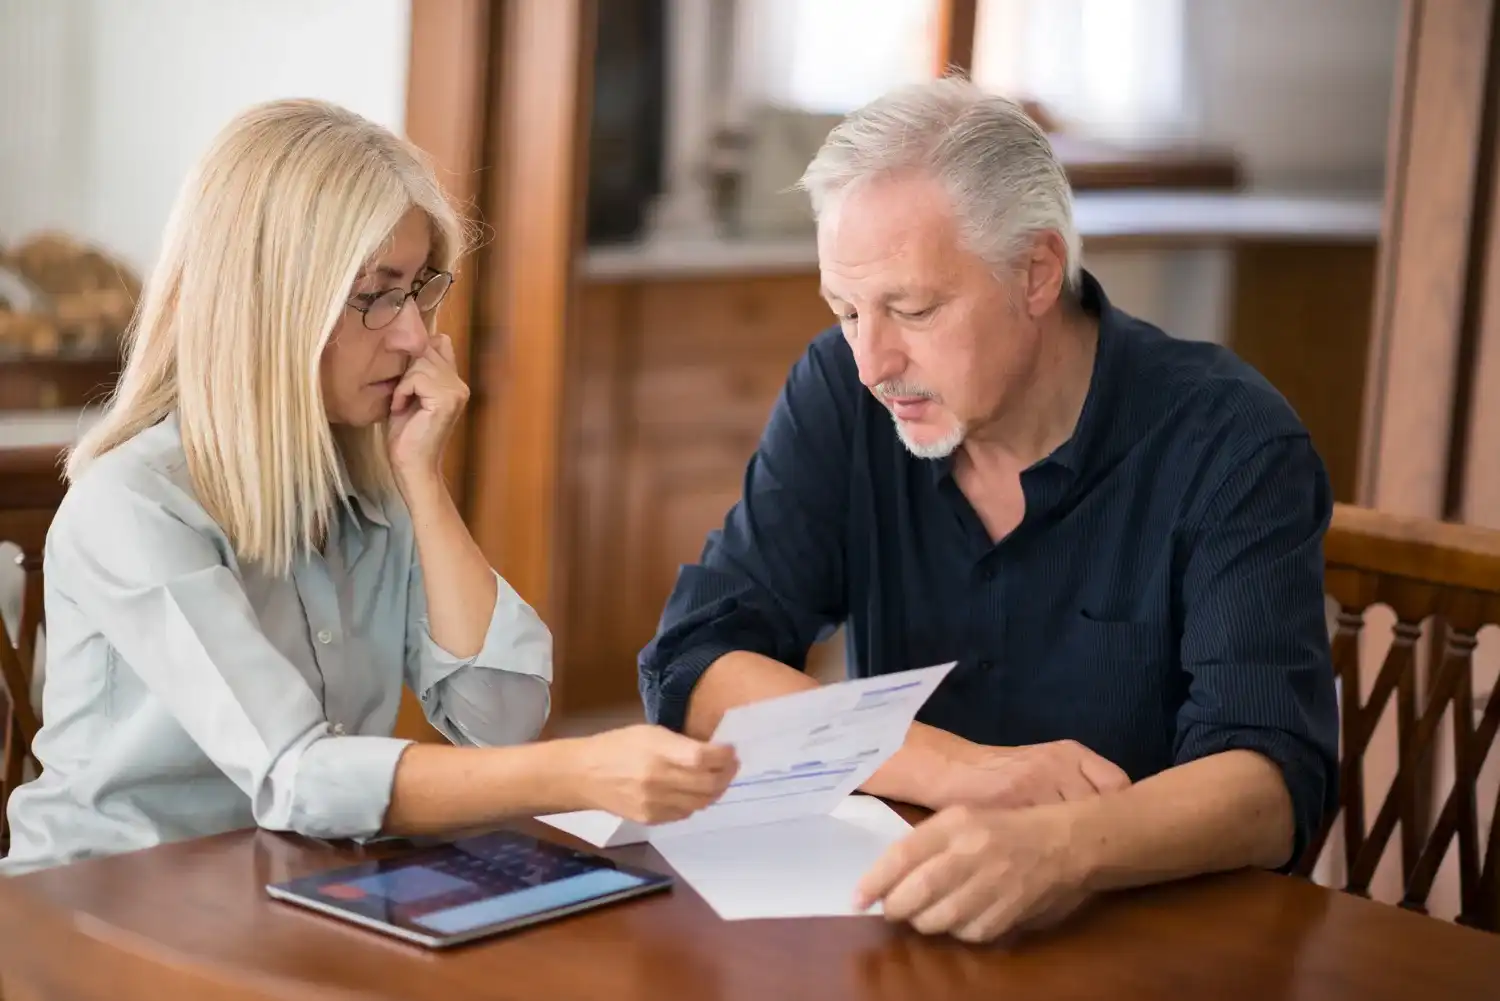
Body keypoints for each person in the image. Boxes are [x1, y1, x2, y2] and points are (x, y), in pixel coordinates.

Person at [638, 77, 1339, 943]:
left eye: (914, 307)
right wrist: (965, 772)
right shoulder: (843, 393)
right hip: (910, 927)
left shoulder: (1231, 441)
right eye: (845, 309)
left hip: (1155, 939)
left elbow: (1271, 781)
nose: (871, 359)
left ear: (1037, 270)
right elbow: (699, 661)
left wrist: (1061, 845)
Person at [1, 99, 736, 876]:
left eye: (419, 288)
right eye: (377, 293)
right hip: (97, 916)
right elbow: (296, 775)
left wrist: (423, 483)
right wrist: (580, 771)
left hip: (283, 892)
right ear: (272, 301)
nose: (415, 334)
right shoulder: (136, 503)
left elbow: (501, 721)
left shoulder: (367, 476)